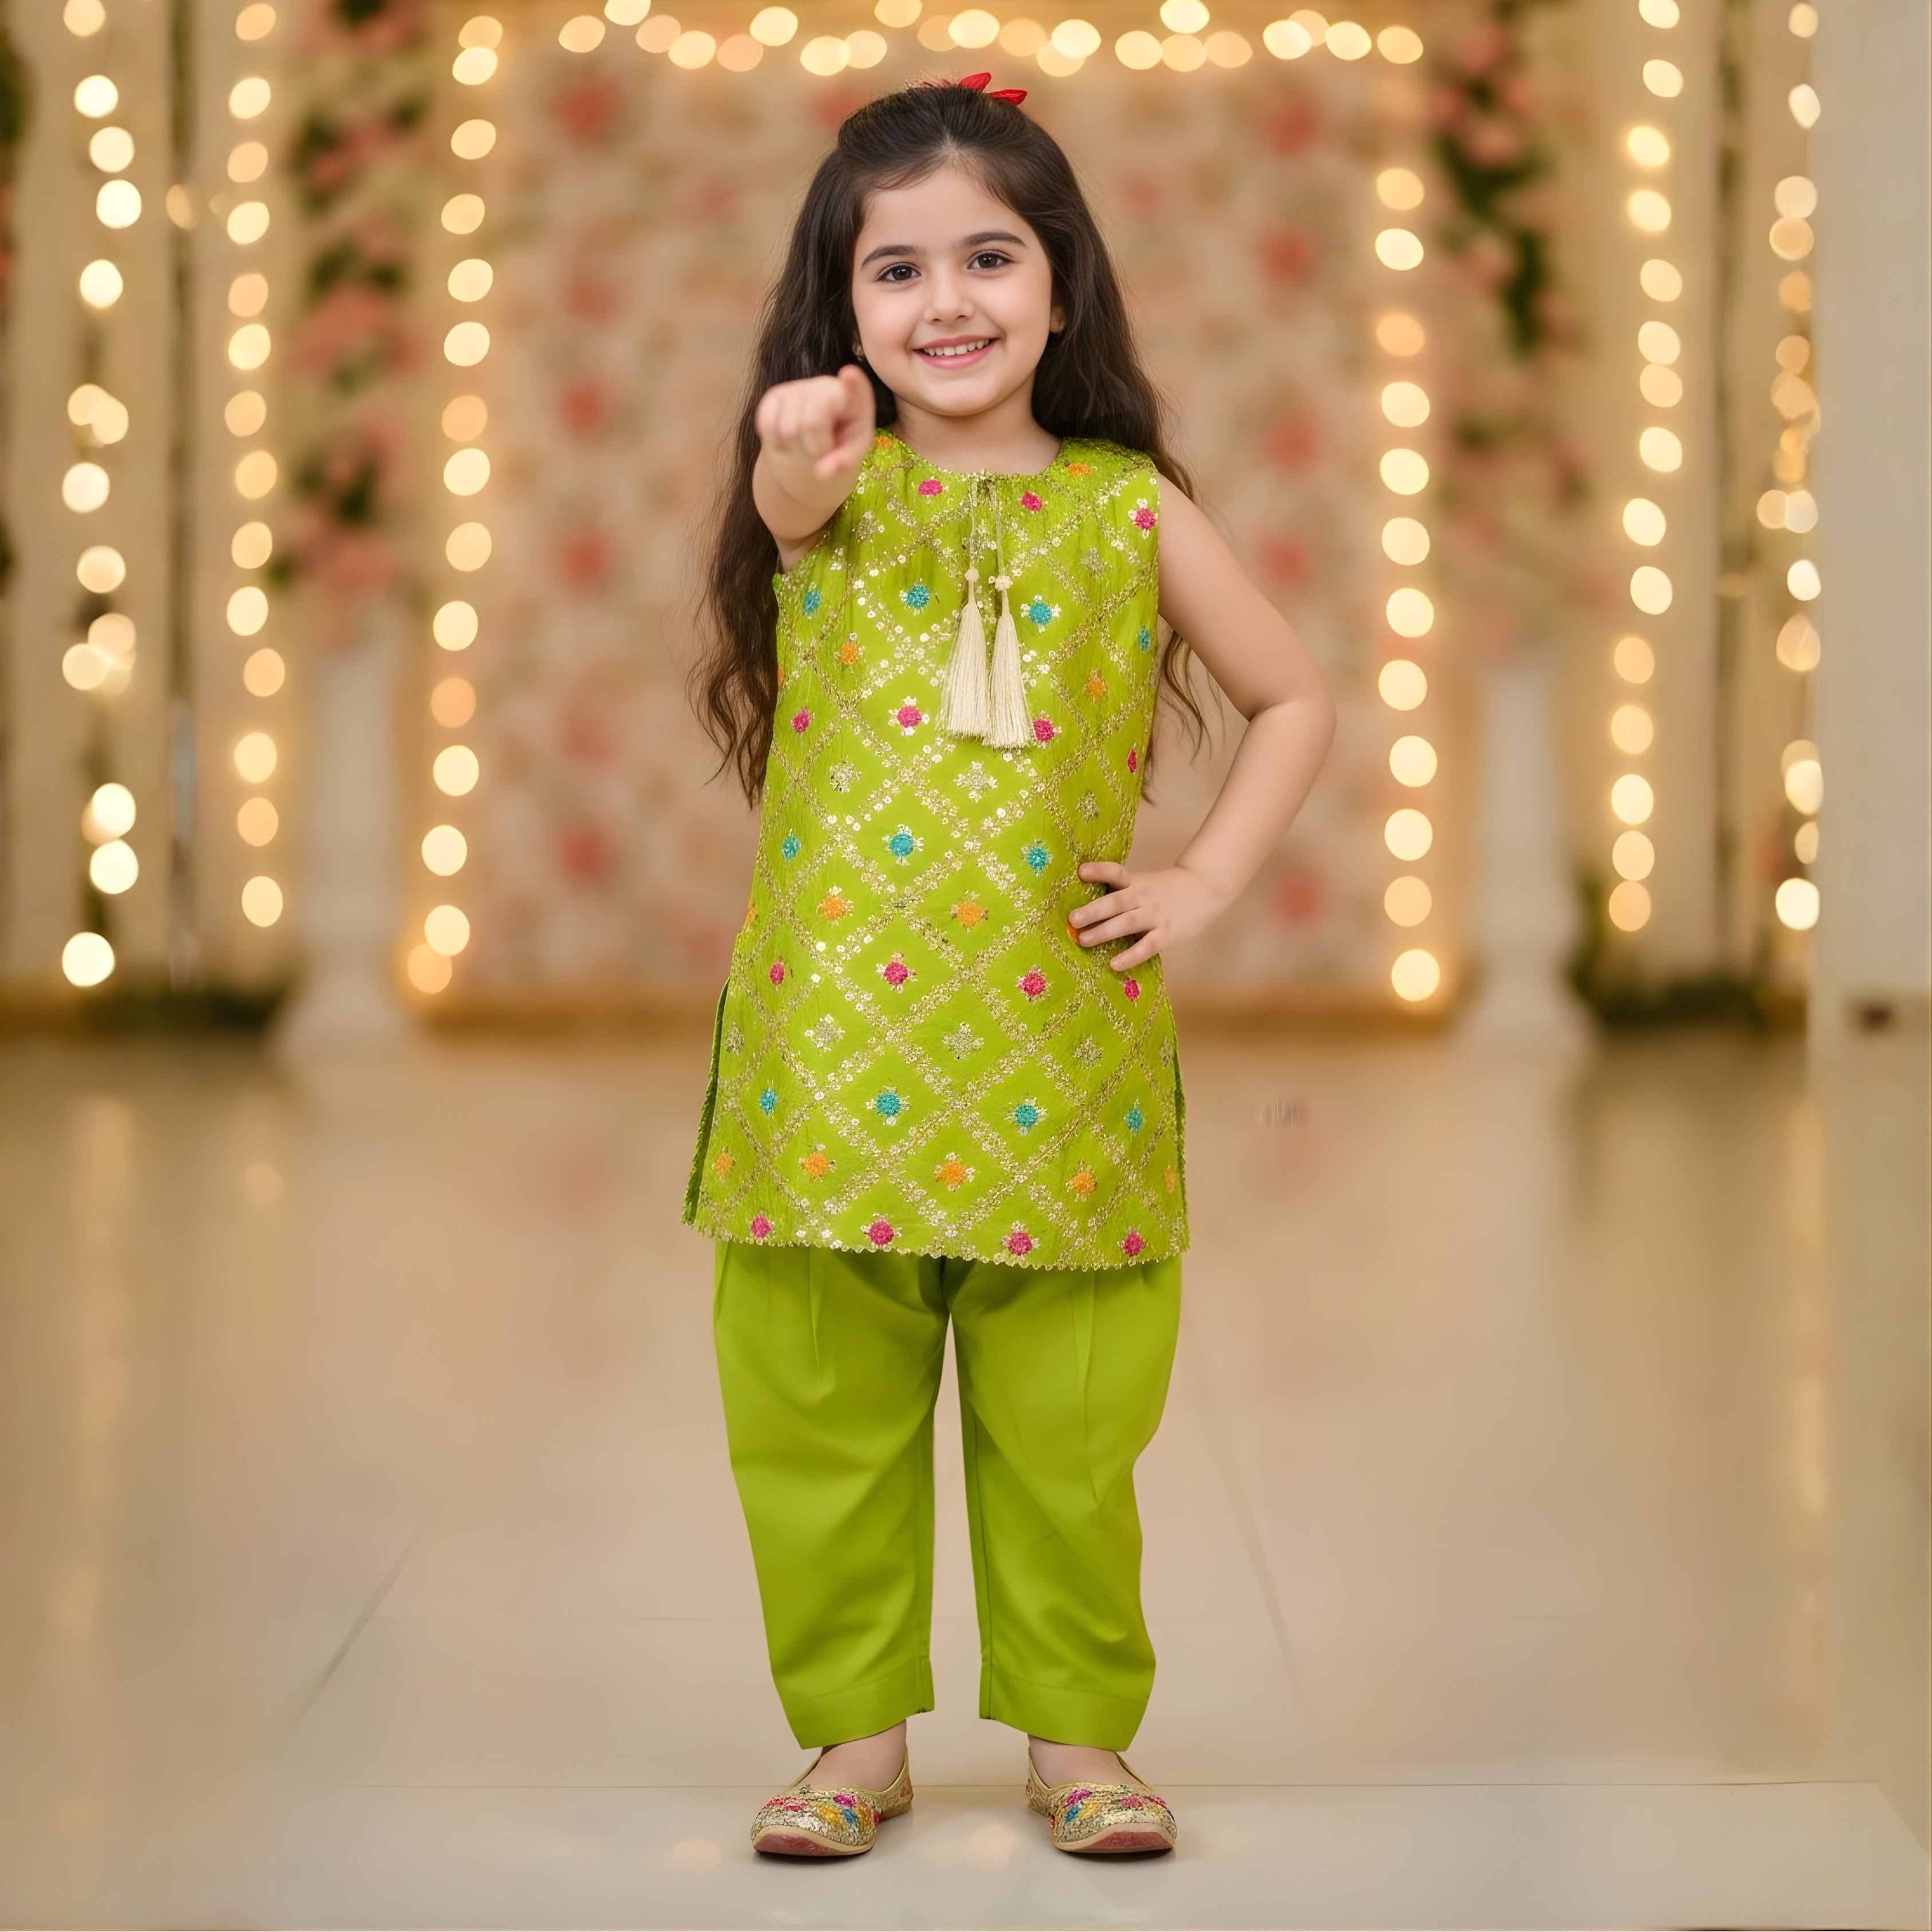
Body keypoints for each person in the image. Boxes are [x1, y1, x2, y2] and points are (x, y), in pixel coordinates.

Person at [684, 73, 1333, 1859]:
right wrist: (798, 443)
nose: (947, 302)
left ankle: (1078, 1741)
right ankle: (852, 1746)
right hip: (833, 1061)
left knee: (1072, 1426)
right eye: (895, 271)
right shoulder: (829, 488)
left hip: (1062, 1060)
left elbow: (1291, 694)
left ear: (1063, 282)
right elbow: (782, 481)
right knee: (817, 1416)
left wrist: (1205, 875)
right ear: (842, 308)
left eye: (990, 257)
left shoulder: (1132, 511)